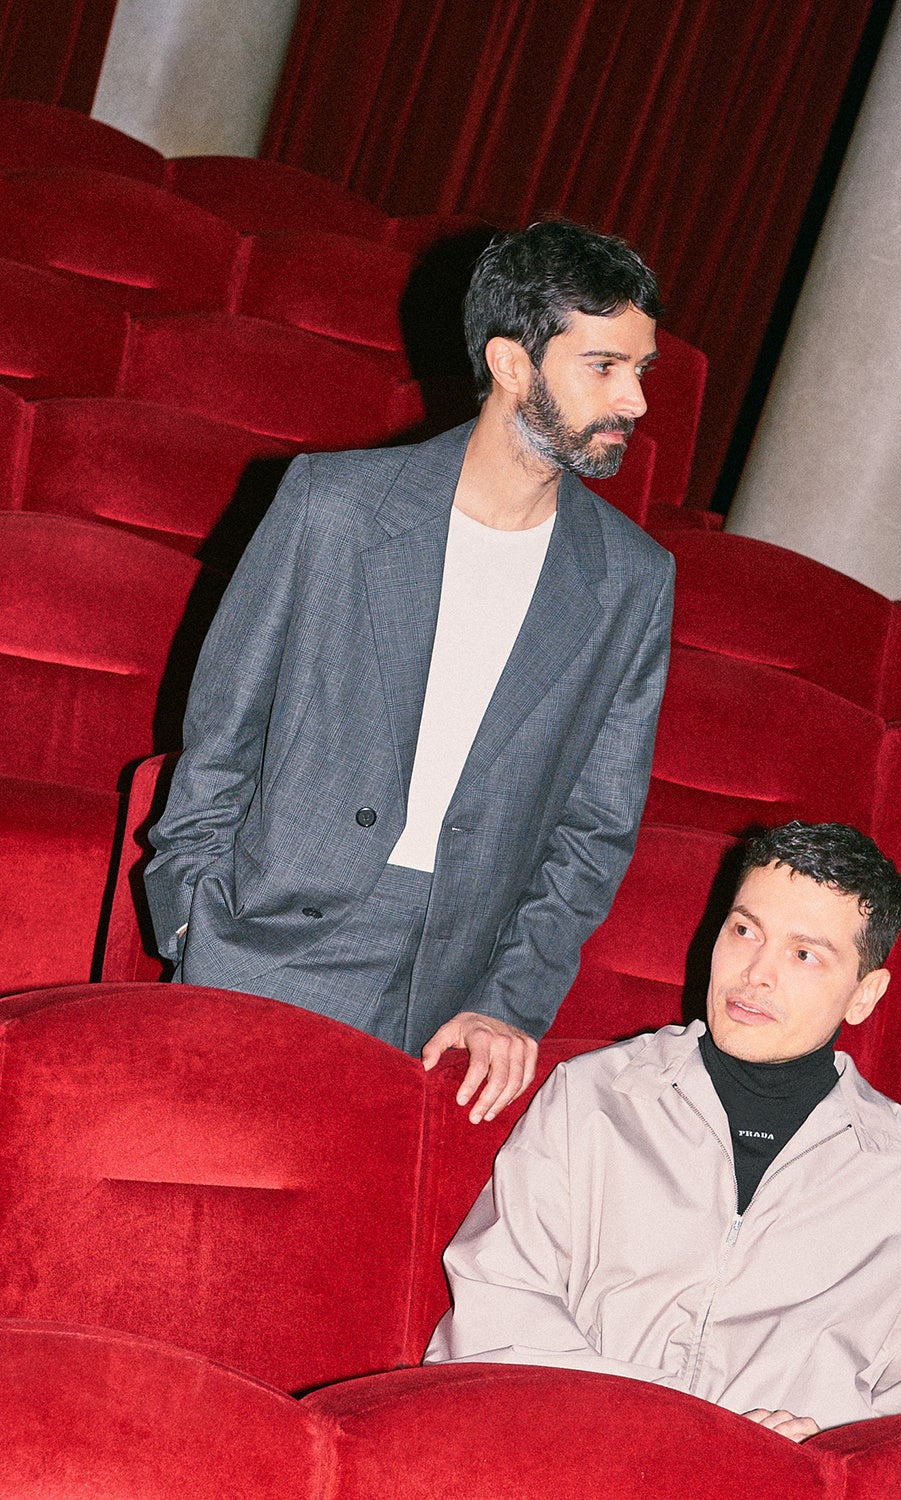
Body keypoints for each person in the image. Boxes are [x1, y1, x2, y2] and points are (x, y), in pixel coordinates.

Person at [144, 220, 674, 1124]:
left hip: (455, 1002)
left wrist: (511, 1001)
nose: (635, 399)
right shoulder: (332, 507)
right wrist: (194, 918)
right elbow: (222, 734)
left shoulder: (632, 578)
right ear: (511, 364)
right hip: (264, 940)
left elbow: (596, 829)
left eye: (640, 369)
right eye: (604, 366)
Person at [424, 821, 901, 1436]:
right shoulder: (594, 1098)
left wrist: (829, 1449)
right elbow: (496, 1308)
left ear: (864, 995)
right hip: (581, 1450)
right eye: (744, 931)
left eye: (803, 955)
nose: (756, 972)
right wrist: (698, 1429)